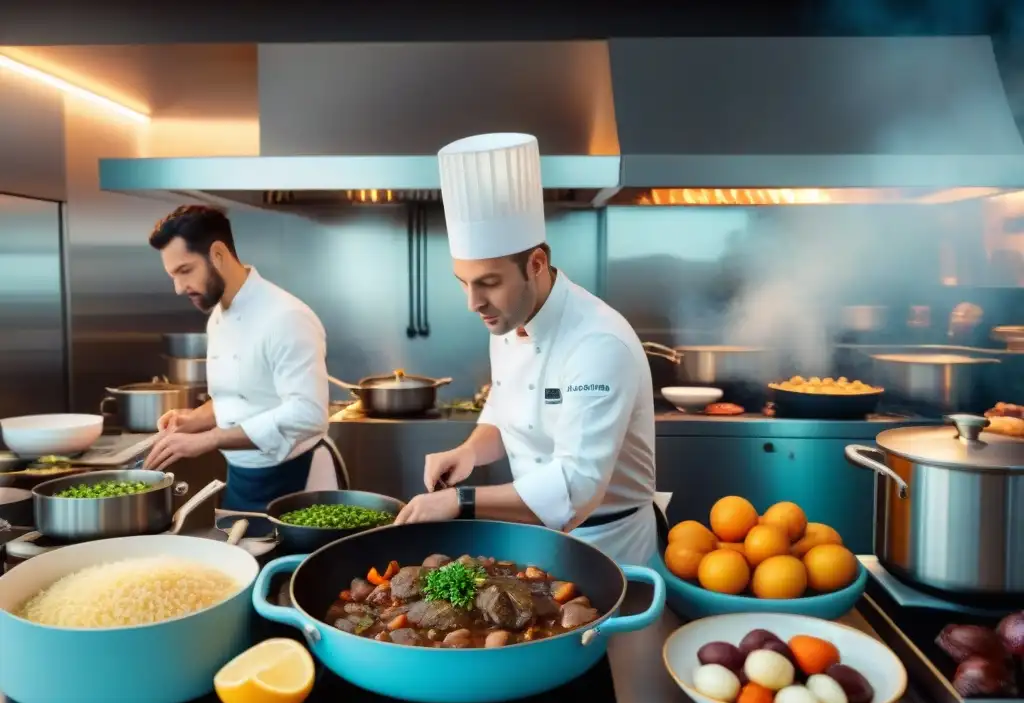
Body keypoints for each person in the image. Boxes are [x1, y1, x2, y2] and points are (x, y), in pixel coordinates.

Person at [393, 133, 663, 565]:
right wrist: (468, 452)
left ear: (535, 264)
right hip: (538, 541)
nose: (473, 303)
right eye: (463, 282)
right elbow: (505, 410)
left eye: (488, 282)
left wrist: (460, 501)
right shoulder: (507, 320)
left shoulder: (597, 343)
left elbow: (576, 487)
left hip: (610, 547)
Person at [143, 205, 343, 511]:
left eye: (185, 271)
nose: (179, 288)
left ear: (218, 254)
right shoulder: (217, 318)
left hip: (296, 477)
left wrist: (211, 438)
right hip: (242, 479)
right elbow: (241, 397)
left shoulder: (286, 317)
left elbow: (309, 414)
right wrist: (194, 420)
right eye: (173, 275)